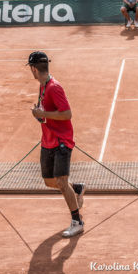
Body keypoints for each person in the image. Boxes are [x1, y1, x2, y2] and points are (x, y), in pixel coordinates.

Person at [28, 51, 86, 238]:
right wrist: (40, 114)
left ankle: (77, 221)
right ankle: (76, 188)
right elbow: (48, 113)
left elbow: (67, 114)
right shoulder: (43, 86)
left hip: (62, 141)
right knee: (49, 181)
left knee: (61, 181)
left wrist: (43, 115)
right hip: (48, 140)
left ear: (34, 69)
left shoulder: (54, 87)